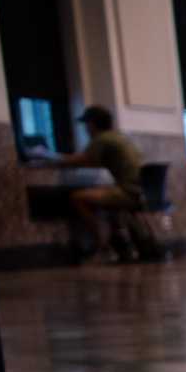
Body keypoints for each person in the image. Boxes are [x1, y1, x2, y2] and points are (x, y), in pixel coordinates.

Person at [37, 105, 150, 262]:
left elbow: (83, 160)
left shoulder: (102, 139)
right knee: (102, 197)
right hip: (141, 192)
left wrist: (49, 156)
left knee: (77, 198)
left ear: (92, 124)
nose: (86, 129)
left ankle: (102, 240)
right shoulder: (119, 137)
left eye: (86, 125)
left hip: (127, 193)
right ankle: (116, 241)